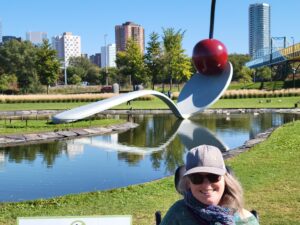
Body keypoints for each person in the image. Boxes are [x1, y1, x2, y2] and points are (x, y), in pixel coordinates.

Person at [160, 145, 259, 225]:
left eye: (213, 177)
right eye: (197, 178)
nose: (207, 185)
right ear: (188, 183)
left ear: (225, 179)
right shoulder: (177, 214)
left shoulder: (246, 220)